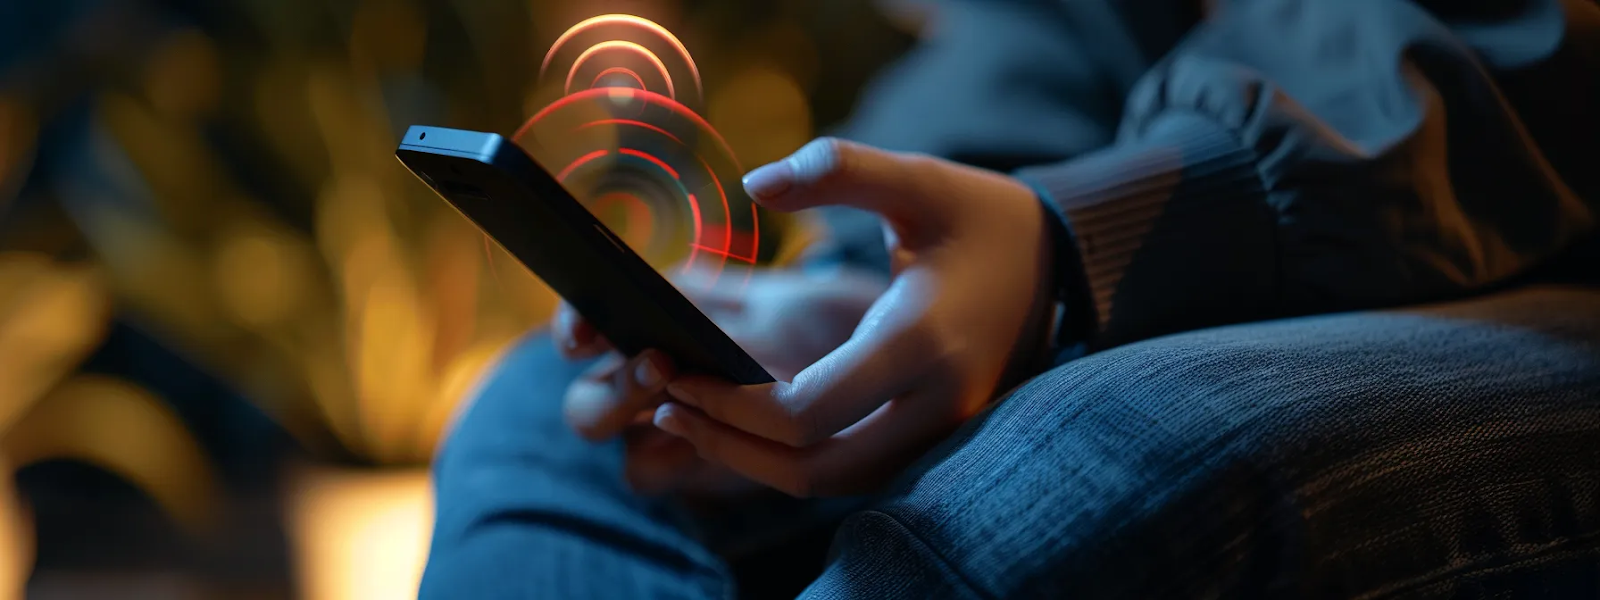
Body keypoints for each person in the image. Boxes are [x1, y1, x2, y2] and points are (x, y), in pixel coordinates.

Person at [421, 0, 1600, 597]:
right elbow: (1054, 24)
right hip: (1167, 198)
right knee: (548, 409)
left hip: (1540, 247)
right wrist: (863, 279)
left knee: (1082, 465)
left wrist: (1091, 235)